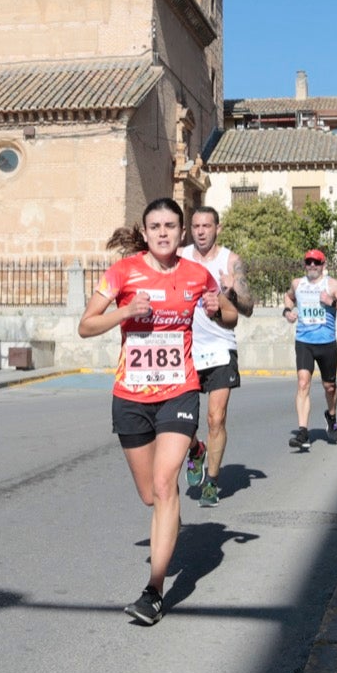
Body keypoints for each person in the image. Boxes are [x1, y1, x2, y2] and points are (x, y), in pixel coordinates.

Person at [79, 198, 235, 625]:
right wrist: (125, 311)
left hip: (179, 392)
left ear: (182, 233)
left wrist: (218, 309)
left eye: (171, 225)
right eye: (155, 226)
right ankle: (197, 447)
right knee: (150, 494)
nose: (163, 232)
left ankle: (153, 591)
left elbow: (232, 316)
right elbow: (85, 324)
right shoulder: (123, 273)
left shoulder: (196, 274)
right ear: (144, 233)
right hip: (131, 396)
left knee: (166, 487)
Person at [178, 206, 252, 508]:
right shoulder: (180, 257)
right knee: (182, 421)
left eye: (207, 225)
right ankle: (195, 449)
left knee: (216, 417)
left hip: (220, 348)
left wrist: (231, 291)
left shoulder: (230, 261)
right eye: (196, 225)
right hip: (184, 348)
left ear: (217, 228)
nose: (201, 231)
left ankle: (211, 481)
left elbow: (248, 308)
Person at [283, 248, 337, 448]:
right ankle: (303, 432)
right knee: (303, 383)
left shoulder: (332, 285)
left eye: (316, 262)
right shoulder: (298, 284)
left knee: (329, 387)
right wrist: (288, 311)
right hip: (304, 341)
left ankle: (331, 415)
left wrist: (331, 301)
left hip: (327, 343)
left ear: (323, 265)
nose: (312, 266)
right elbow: (288, 297)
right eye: (309, 262)